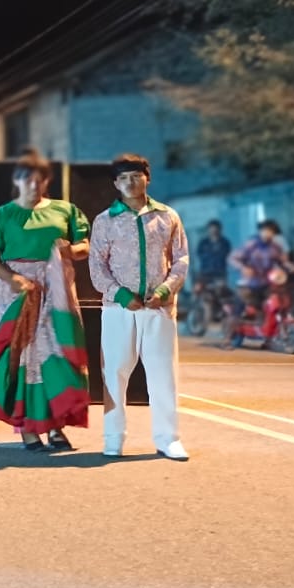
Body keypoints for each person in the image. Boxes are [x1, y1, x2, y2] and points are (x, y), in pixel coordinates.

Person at [0, 150, 91, 452]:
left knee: (55, 353)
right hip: (16, 293)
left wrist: (68, 251)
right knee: (23, 356)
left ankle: (55, 425)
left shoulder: (65, 211)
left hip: (56, 290)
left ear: (46, 181)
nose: (33, 185)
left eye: (39, 180)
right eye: (26, 179)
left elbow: (84, 247)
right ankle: (28, 428)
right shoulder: (0, 216)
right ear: (16, 181)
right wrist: (12, 278)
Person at [87, 154, 190, 461]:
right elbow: (96, 266)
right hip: (118, 309)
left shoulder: (167, 216)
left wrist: (164, 290)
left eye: (135, 176)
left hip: (158, 308)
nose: (130, 183)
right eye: (123, 178)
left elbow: (181, 259)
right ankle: (113, 438)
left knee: (163, 374)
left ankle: (168, 439)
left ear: (147, 178)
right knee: (114, 373)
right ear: (115, 184)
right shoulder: (105, 220)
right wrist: (120, 295)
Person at [195, 220, 231, 287]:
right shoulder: (203, 243)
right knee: (199, 289)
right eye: (211, 229)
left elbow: (228, 256)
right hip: (205, 272)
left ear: (219, 230)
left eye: (215, 229)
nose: (213, 231)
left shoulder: (225, 243)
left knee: (221, 289)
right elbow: (199, 255)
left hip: (220, 272)